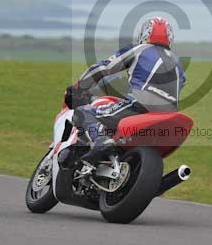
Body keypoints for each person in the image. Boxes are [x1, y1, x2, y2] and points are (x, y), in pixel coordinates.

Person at [66, 16, 185, 165]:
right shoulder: (178, 64)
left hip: (140, 105)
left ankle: (100, 140)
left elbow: (104, 67)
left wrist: (79, 87)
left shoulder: (140, 49)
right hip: (169, 115)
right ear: (170, 38)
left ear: (144, 34)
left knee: (84, 112)